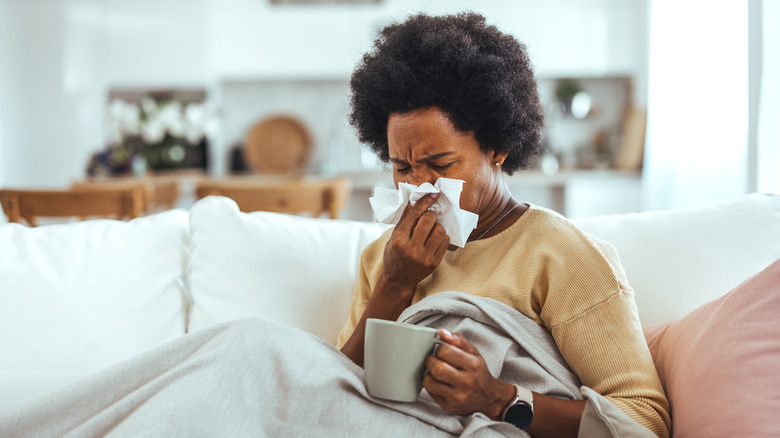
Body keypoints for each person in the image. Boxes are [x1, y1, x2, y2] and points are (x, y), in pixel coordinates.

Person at [336, 12, 670, 438]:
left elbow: (644, 423)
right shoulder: (383, 257)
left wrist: (498, 399)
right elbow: (331, 390)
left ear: (497, 149)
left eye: (439, 164)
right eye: (401, 167)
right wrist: (394, 285)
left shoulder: (557, 253)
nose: (418, 186)